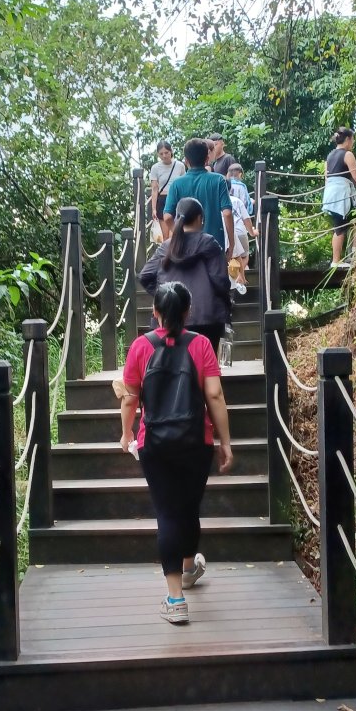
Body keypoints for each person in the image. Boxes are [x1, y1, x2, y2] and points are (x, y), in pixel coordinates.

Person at [119, 281, 233, 624]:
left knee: (168, 512)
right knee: (188, 506)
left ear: (155, 313)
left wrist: (126, 433)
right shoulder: (201, 346)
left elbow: (129, 397)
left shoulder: (140, 347)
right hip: (196, 441)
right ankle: (186, 569)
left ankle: (176, 597)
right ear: (188, 312)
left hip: (155, 442)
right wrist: (225, 442)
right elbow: (214, 396)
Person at [138, 197, 231, 352]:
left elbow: (145, 276)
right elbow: (220, 281)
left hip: (171, 317)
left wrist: (168, 295)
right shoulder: (209, 243)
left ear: (177, 218)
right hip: (207, 317)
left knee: (172, 369)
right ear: (200, 218)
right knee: (204, 367)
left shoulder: (166, 246)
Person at [163, 138, 235, 257]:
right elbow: (227, 213)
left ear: (186, 161)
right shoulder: (219, 180)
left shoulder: (176, 184)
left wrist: (179, 235)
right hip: (214, 244)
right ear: (207, 159)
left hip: (186, 247)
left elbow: (167, 217)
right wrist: (231, 244)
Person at [322, 126, 356, 267]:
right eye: (353, 139)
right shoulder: (347, 155)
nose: (353, 143)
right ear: (348, 139)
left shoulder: (330, 156)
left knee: (351, 222)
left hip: (331, 193)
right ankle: (339, 260)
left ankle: (349, 256)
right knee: (349, 223)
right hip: (341, 193)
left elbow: (327, 177)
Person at [226, 178, 258, 287]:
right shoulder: (236, 201)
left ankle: (234, 276)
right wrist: (252, 232)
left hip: (226, 232)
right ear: (230, 188)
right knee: (244, 256)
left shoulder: (216, 201)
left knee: (230, 257)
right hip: (239, 231)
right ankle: (239, 276)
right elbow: (246, 219)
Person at [149, 140, 185, 221]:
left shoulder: (180, 166)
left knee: (175, 232)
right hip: (163, 199)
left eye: (166, 152)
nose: (164, 156)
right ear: (158, 154)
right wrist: (154, 209)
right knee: (165, 233)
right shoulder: (155, 168)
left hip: (177, 199)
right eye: (161, 154)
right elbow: (154, 189)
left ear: (171, 151)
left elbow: (184, 184)